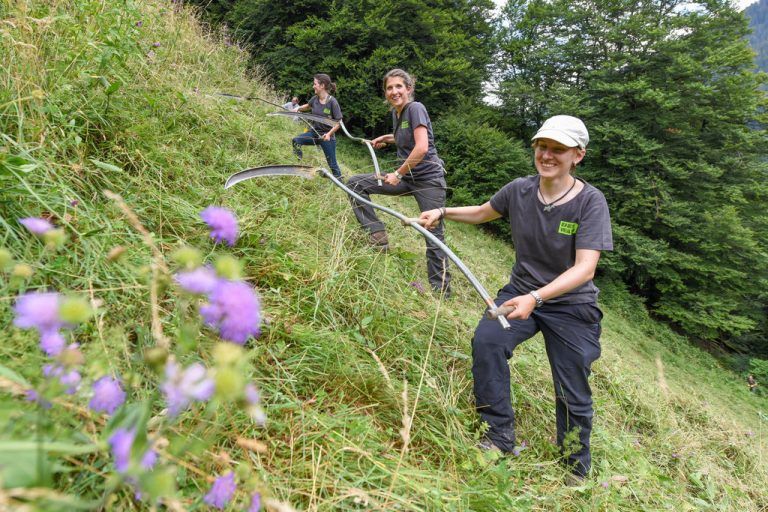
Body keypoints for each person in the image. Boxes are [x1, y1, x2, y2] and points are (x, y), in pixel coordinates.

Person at [419, 115, 613, 480]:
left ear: (578, 155)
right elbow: (481, 212)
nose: (547, 155)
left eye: (559, 149)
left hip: (572, 305)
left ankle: (575, 466)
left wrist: (537, 298)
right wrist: (442, 211)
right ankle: (499, 435)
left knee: (571, 386)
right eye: (542, 146)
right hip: (521, 292)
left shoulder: (590, 202)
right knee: (488, 342)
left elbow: (584, 269)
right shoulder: (519, 190)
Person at [347, 68, 451, 295]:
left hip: (428, 180)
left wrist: (399, 174)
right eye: (389, 88)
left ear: (409, 89)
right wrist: (388, 138)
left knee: (432, 233)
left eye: (398, 87)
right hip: (407, 178)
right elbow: (406, 136)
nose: (394, 91)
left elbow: (422, 147)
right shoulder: (398, 113)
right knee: (356, 183)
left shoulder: (415, 108)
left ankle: (441, 291)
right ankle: (377, 234)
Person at [292, 74, 343, 180]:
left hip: (327, 138)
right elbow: (308, 106)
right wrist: (298, 109)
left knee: (333, 165)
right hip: (314, 134)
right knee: (296, 141)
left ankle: (341, 184)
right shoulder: (315, 99)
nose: (313, 86)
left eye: (315, 84)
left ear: (322, 86)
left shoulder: (332, 102)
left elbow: (339, 122)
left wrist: (329, 134)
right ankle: (298, 166)